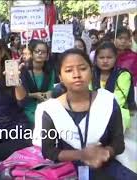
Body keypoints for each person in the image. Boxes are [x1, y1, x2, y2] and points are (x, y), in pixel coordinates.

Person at [36, 48, 137, 179]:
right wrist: (82, 155)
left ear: (91, 72)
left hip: (104, 166)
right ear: (60, 77)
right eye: (68, 70)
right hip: (66, 170)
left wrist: (105, 152)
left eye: (83, 68)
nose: (76, 74)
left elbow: (118, 144)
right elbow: (48, 151)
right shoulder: (50, 109)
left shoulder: (107, 101)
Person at [92, 42, 135, 131]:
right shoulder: (91, 73)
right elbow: (86, 94)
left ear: (115, 58)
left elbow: (119, 101)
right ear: (96, 59)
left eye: (109, 57)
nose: (105, 61)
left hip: (116, 112)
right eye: (101, 57)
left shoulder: (123, 75)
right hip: (93, 111)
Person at [17, 40, 55, 126]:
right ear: (32, 54)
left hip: (45, 107)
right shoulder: (23, 70)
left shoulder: (50, 71)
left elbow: (51, 90)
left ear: (47, 56)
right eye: (37, 51)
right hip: (26, 109)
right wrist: (35, 95)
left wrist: (48, 94)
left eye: (43, 52)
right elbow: (21, 95)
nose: (40, 53)